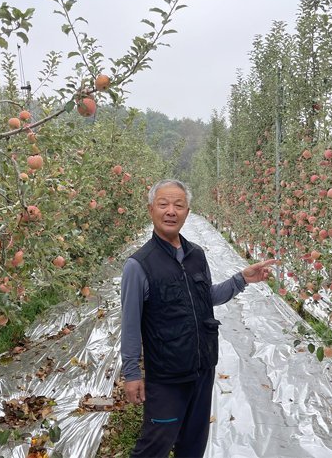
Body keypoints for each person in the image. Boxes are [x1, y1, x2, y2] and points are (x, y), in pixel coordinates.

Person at [120, 179, 277, 458]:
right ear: (151, 210)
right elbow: (131, 324)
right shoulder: (139, 265)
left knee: (193, 445)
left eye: (178, 205)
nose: (171, 211)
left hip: (203, 368)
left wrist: (241, 279)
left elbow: (206, 297)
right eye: (164, 204)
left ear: (187, 212)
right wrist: (132, 373)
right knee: (153, 447)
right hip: (167, 376)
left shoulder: (197, 255)